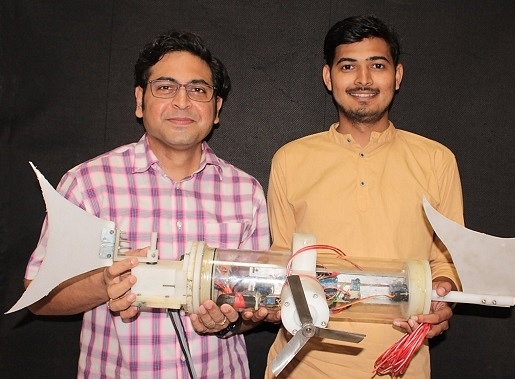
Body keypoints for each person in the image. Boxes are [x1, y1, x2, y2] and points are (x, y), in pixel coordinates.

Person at [24, 31, 271, 378]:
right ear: (140, 100)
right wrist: (103, 283)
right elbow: (37, 294)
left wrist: (232, 320)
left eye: (198, 89)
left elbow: (254, 303)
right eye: (165, 87)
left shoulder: (246, 192)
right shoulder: (89, 183)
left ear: (216, 109)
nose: (182, 102)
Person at [265, 15, 463, 378]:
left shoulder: (436, 160)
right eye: (348, 66)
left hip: (400, 364)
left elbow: (447, 261)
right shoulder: (290, 159)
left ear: (397, 75)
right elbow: (282, 258)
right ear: (329, 77)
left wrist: (442, 293)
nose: (363, 80)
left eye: (377, 65)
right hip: (303, 367)